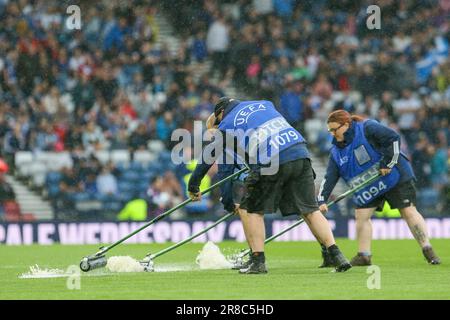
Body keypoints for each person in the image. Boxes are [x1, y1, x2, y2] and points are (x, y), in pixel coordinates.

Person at [188, 97, 352, 274]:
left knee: (251, 210)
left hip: (271, 159)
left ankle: (258, 261)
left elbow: (209, 156)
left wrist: (193, 185)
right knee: (311, 210)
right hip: (300, 152)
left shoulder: (227, 123)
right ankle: (336, 255)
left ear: (221, 113)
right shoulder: (264, 104)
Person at [318, 110, 441, 266]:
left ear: (346, 124)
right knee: (361, 216)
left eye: (335, 129)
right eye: (330, 130)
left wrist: (387, 163)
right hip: (370, 184)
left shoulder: (368, 127)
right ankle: (364, 255)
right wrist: (322, 199)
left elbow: (394, 139)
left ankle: (427, 249)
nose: (333, 134)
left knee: (408, 210)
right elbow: (330, 177)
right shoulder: (335, 152)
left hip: (394, 175)